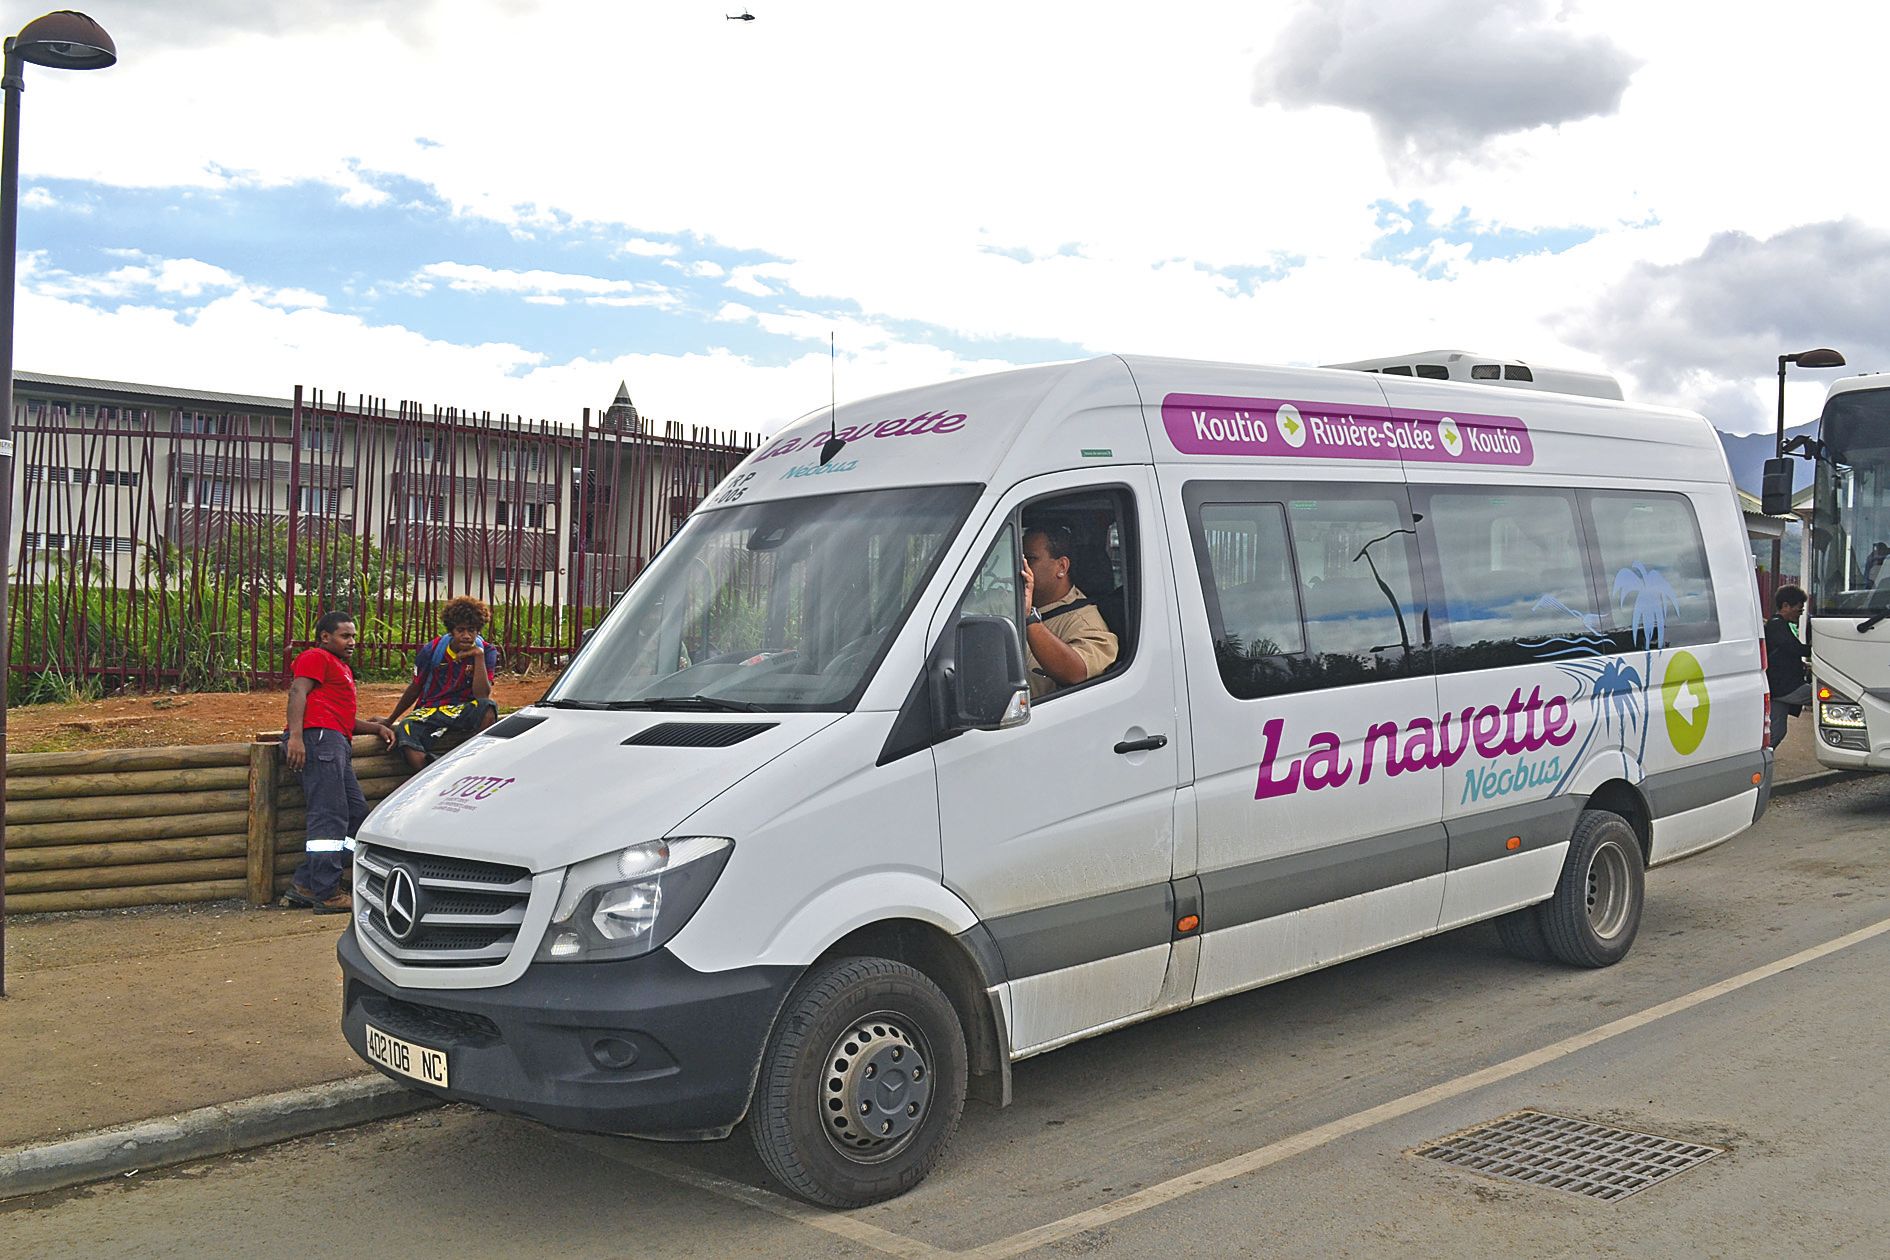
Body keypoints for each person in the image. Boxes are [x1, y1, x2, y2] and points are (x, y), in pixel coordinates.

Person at [281, 611, 395, 913]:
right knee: (328, 815)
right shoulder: (314, 656)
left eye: (354, 636)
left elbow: (342, 717)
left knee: (356, 815)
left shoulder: (340, 667)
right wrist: (296, 737)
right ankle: (327, 893)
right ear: (325, 637)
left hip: (334, 739)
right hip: (319, 739)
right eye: (345, 636)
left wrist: (377, 727)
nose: (352, 642)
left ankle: (307, 882)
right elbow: (297, 692)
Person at [382, 595, 501, 771]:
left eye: (472, 630)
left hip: (461, 709)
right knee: (406, 730)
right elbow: (415, 687)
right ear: (451, 631)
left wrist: (478, 657)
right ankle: (428, 775)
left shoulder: (487, 651)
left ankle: (472, 763)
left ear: (478, 631)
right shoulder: (432, 650)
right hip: (431, 709)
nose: (466, 636)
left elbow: (482, 695)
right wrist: (390, 719)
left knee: (488, 707)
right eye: (461, 630)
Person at [1019, 524, 1118, 699]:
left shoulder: (1084, 621)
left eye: (1031, 559)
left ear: (1062, 567)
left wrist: (1029, 620)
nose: (1022, 568)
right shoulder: (1012, 604)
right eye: (1019, 560)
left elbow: (1076, 672)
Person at [1765, 584, 1812, 747]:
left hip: (1777, 689)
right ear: (1786, 606)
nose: (1800, 614)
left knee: (1777, 732)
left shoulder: (1776, 624)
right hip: (1786, 687)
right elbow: (1795, 649)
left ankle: (1764, 762)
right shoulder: (1777, 626)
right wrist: (1819, 650)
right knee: (1826, 694)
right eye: (1799, 610)